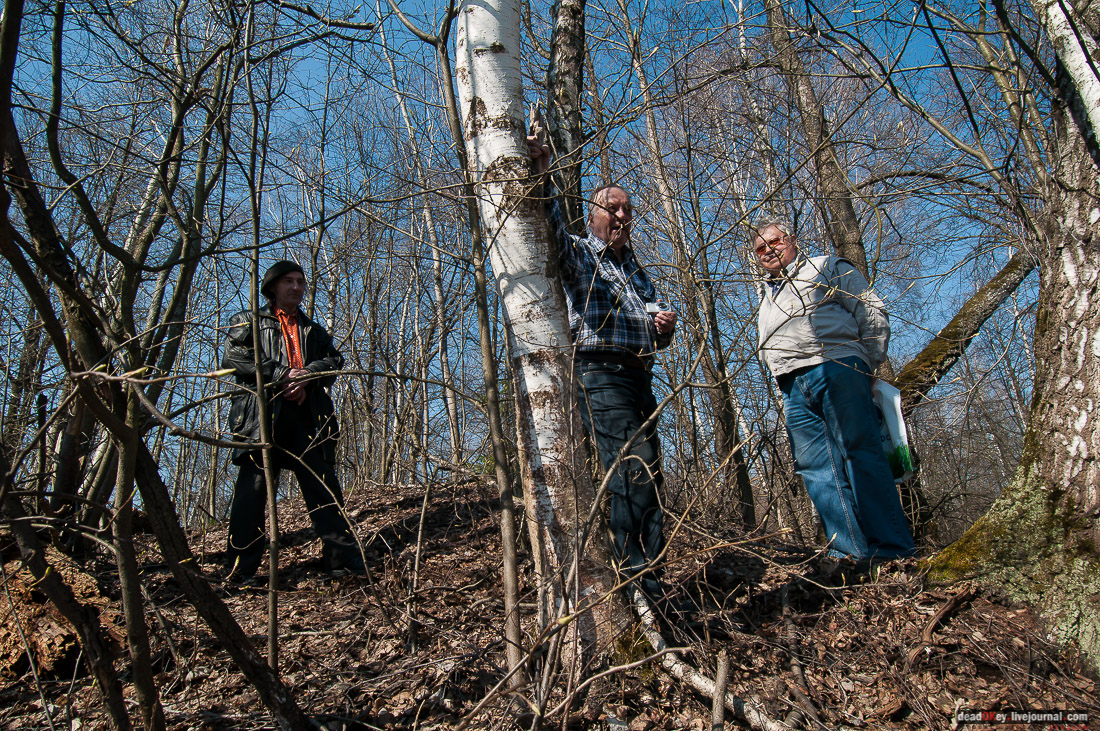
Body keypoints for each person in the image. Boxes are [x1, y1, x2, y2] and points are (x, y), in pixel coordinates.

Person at [528, 127, 678, 603]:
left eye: (627, 210)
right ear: (593, 216)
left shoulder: (636, 270)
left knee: (650, 473)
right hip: (598, 374)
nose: (622, 216)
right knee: (634, 466)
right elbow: (550, 223)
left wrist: (664, 326)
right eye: (612, 209)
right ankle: (638, 584)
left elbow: (656, 332)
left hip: (640, 375)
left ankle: (649, 579)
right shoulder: (580, 254)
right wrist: (543, 173)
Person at [753, 217, 915, 563]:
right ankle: (849, 555)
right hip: (792, 385)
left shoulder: (825, 267)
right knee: (816, 468)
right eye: (760, 248)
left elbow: (870, 309)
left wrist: (868, 364)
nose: (768, 251)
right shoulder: (767, 293)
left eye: (775, 241)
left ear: (792, 239)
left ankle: (892, 550)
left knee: (861, 453)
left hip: (838, 365)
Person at [222, 260, 365, 581]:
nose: (297, 287)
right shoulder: (247, 321)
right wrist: (283, 375)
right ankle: (239, 571)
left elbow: (333, 360)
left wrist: (306, 377)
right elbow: (236, 357)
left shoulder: (313, 329)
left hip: (308, 417)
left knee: (323, 489)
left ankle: (343, 561)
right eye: (289, 281)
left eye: (301, 281)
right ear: (272, 287)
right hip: (261, 417)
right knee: (251, 494)